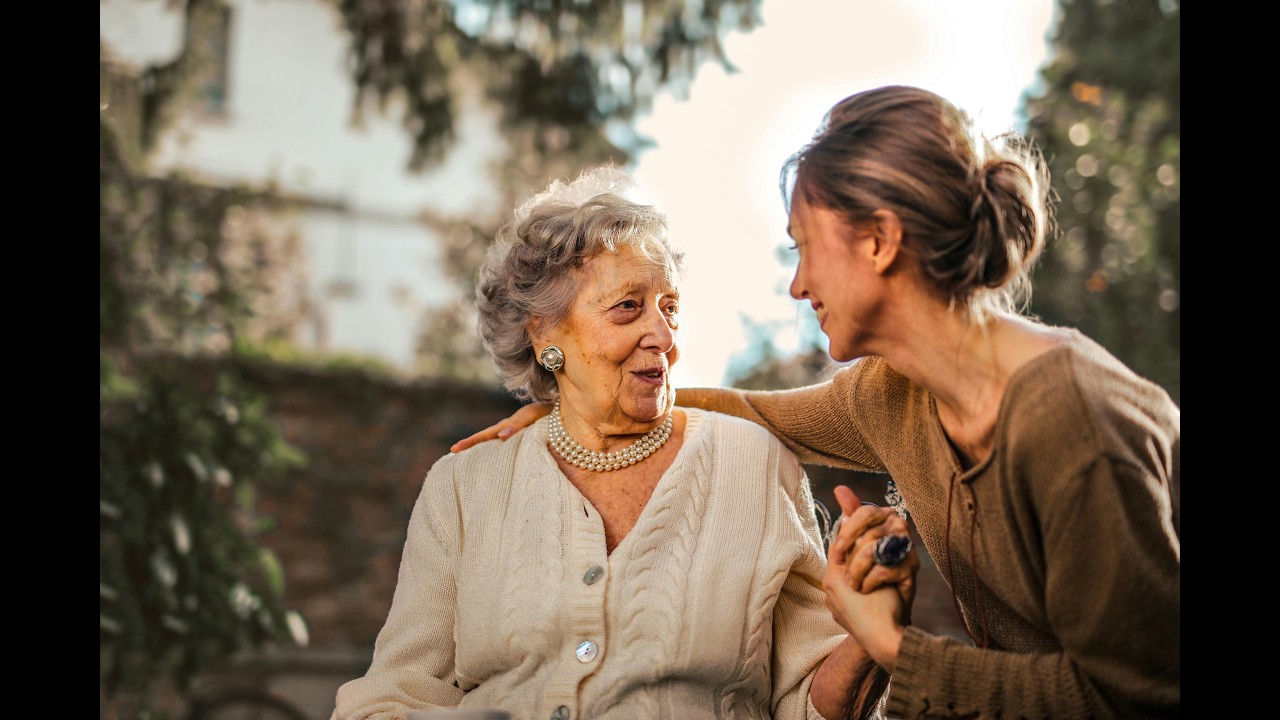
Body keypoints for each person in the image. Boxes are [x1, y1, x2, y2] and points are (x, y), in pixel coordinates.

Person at [450, 86, 1181, 719]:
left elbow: (1135, 697)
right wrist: (576, 405)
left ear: (880, 241)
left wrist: (891, 644)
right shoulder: (893, 394)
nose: (798, 285)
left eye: (804, 247)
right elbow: (754, 412)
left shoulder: (1072, 421)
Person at [332, 166, 902, 720]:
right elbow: (397, 691)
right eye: (628, 306)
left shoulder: (755, 465)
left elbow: (812, 705)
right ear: (545, 333)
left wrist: (869, 638)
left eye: (669, 308)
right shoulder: (464, 486)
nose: (663, 336)